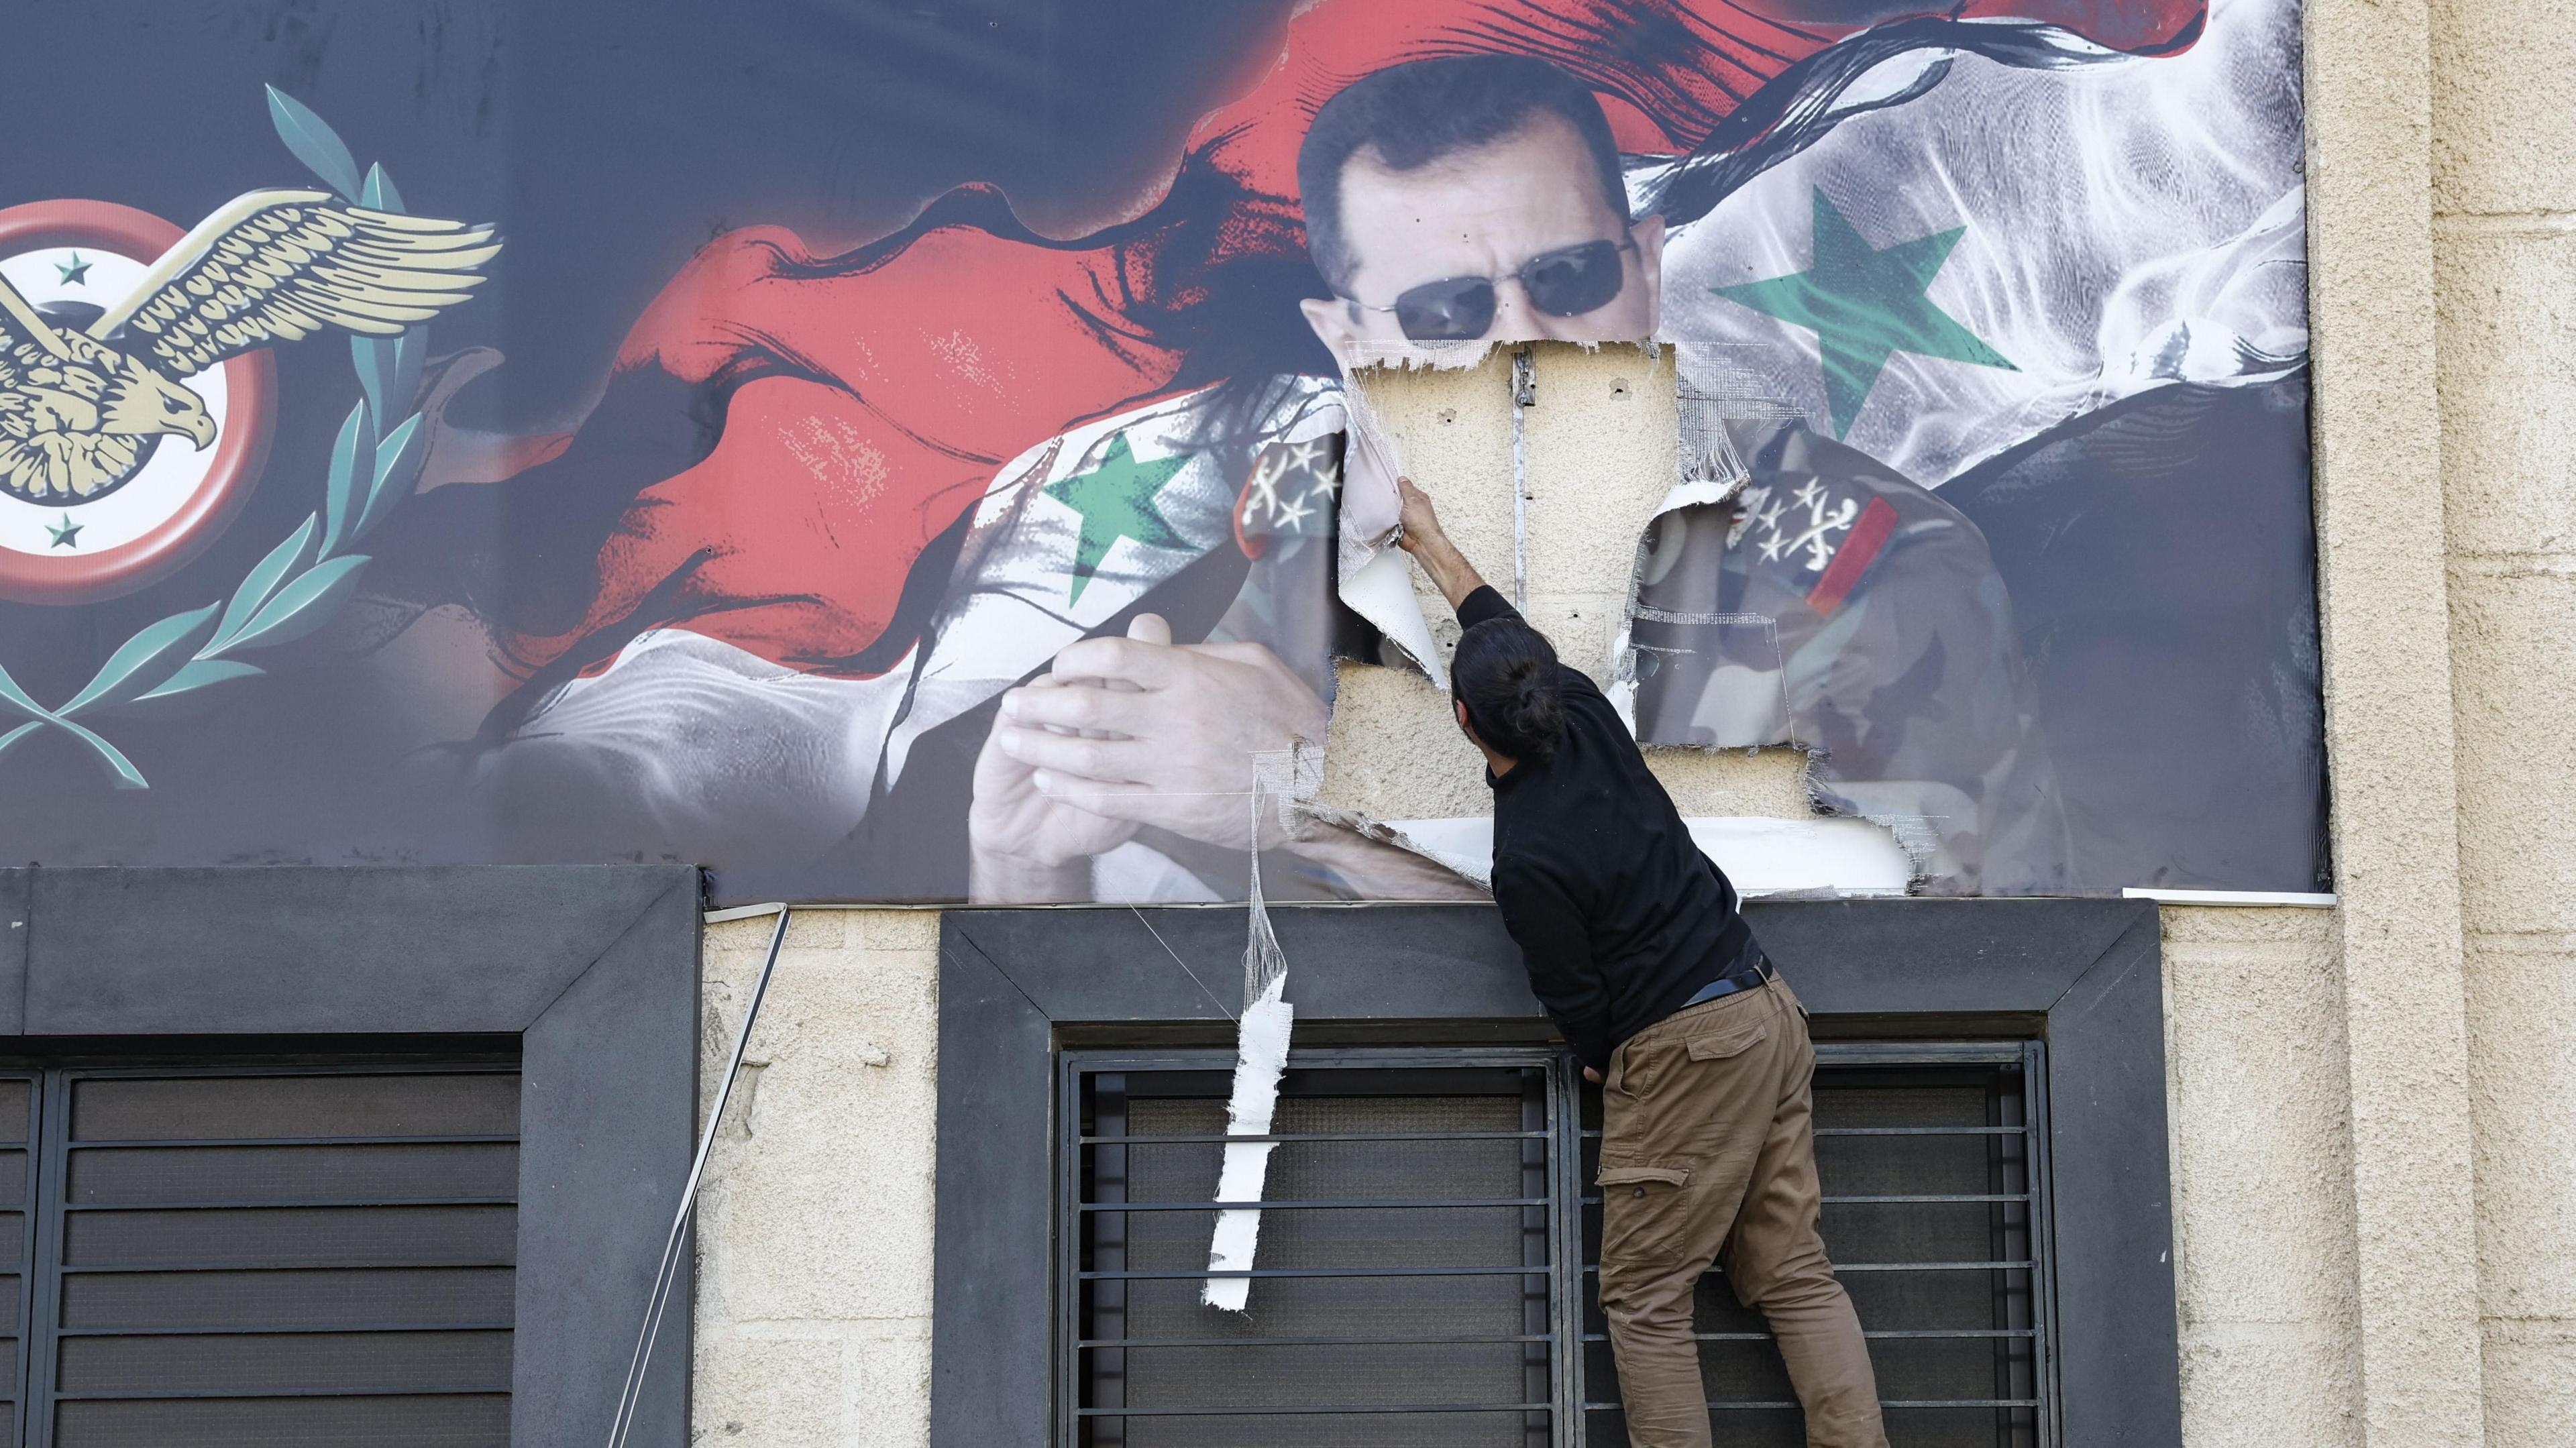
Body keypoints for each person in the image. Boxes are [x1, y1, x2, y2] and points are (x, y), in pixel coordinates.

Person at [1395, 472, 1888, 1448]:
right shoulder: (1581, 706)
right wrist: (1432, 541)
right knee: (1791, 1273)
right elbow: (1498, 628)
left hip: (1687, 1050)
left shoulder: (1524, 854)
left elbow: (1576, 994)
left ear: (1462, 722)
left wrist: (1599, 1054)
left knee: (1649, 1300)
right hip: (1765, 1003)